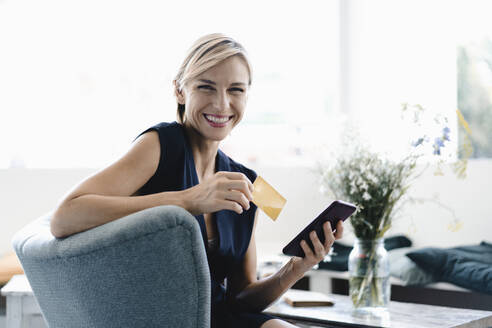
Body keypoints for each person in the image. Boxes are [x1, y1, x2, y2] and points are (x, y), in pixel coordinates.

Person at [50, 33, 344, 328]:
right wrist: (189, 200)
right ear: (180, 91)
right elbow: (64, 217)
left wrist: (295, 267)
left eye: (236, 90)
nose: (222, 104)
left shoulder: (251, 183)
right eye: (206, 87)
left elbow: (241, 298)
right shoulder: (159, 145)